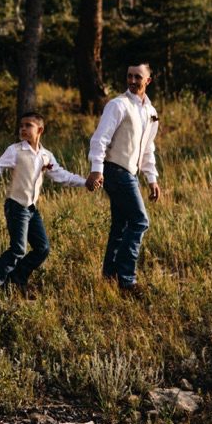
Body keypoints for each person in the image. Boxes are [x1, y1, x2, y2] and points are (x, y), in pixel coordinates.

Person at [0, 111, 87, 296]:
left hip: (31, 209)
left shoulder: (46, 155)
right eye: (21, 125)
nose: (23, 129)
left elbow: (61, 175)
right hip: (16, 205)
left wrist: (85, 182)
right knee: (17, 249)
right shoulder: (15, 150)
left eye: (28, 126)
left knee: (42, 248)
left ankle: (16, 280)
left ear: (40, 129)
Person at [85, 63, 162, 293]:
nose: (132, 80)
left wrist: (152, 178)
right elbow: (100, 139)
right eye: (129, 76)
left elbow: (148, 148)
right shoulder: (118, 105)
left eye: (137, 76)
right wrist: (97, 168)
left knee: (121, 225)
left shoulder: (150, 112)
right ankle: (127, 280)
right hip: (114, 170)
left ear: (148, 80)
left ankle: (109, 276)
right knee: (140, 221)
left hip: (129, 172)